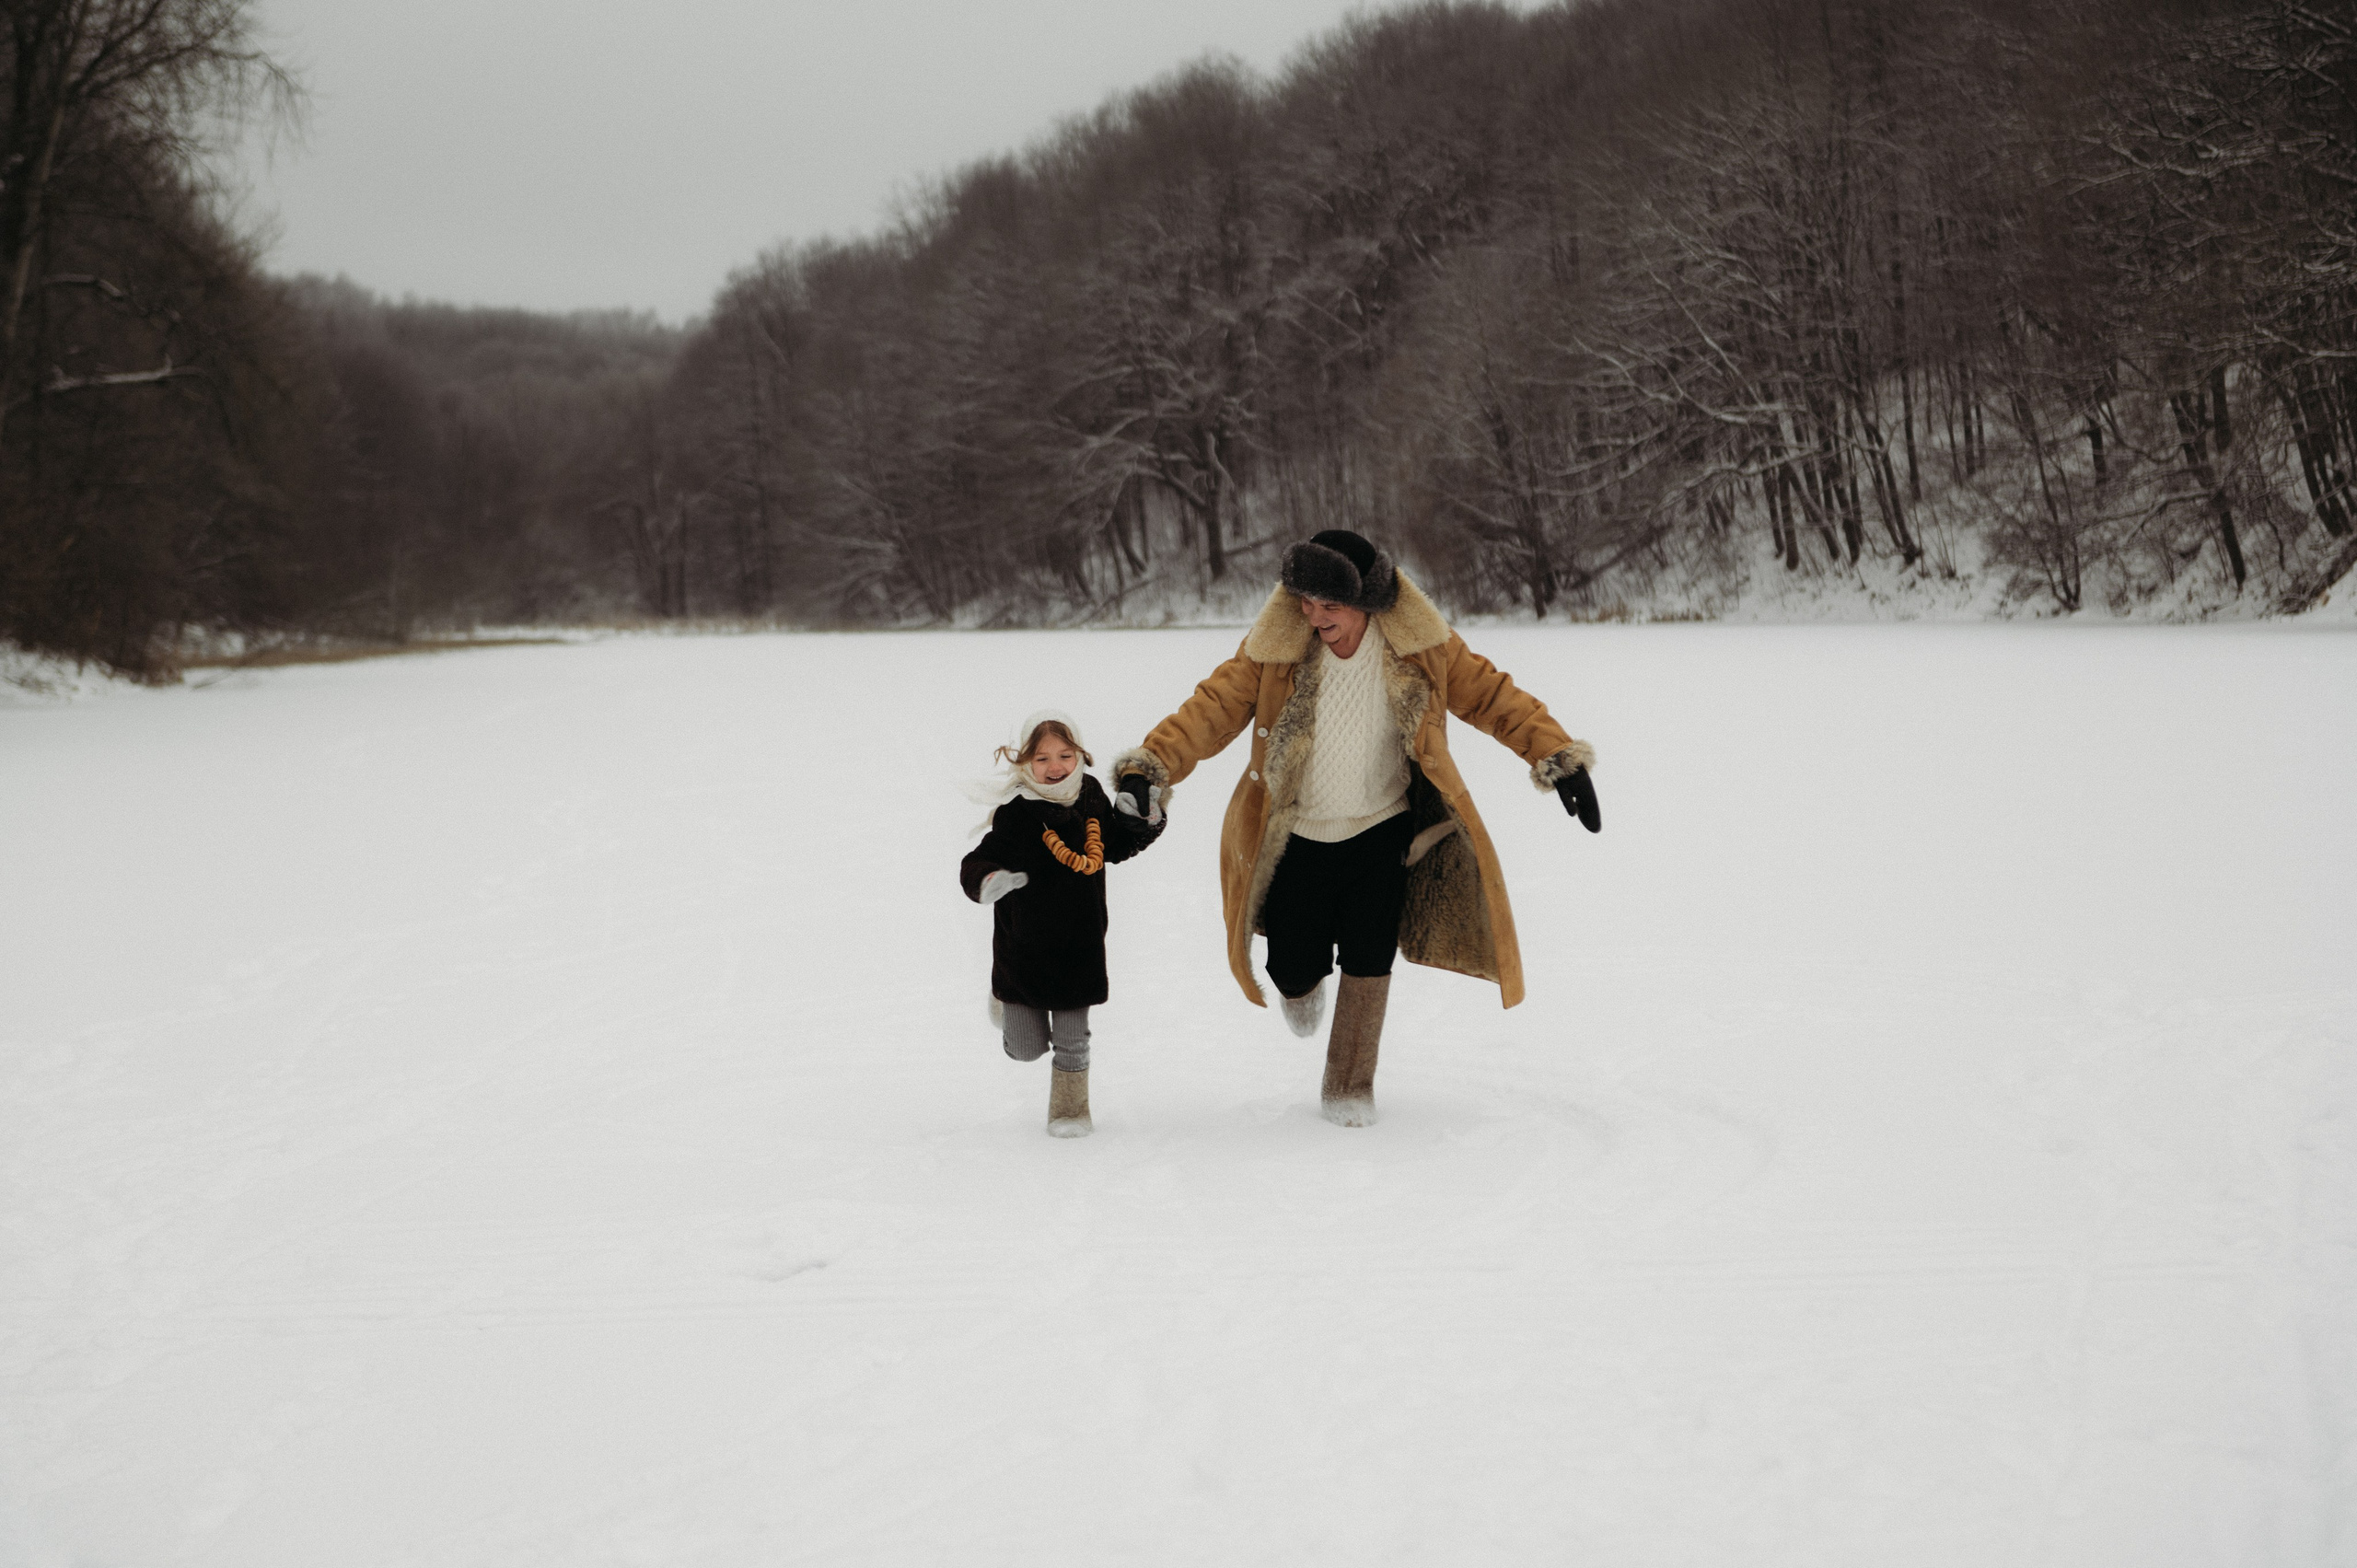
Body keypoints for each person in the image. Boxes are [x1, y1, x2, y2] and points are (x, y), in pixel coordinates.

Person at [1109, 530, 1600, 1128]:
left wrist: (1557, 755)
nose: (1315, 618)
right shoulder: (1277, 650)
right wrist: (1149, 768)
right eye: (1306, 603)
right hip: (1297, 837)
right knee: (1293, 967)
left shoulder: (1421, 648)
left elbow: (1495, 696)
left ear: (1366, 600)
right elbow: (1210, 708)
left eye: (1329, 606)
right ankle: (1297, 983)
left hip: (1381, 831)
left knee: (1370, 957)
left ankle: (1348, 1086)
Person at [960, 711, 1166, 1136]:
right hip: (1023, 952)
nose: (1056, 767)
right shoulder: (1017, 811)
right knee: (1025, 1048)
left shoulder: (1089, 795)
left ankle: (1070, 1112)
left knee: (1073, 1043)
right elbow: (978, 860)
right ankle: (1003, 1005)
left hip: (1080, 946)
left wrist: (1145, 821)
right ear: (1024, 764)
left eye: (1065, 755)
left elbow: (1115, 846)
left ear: (1080, 756)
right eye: (1042, 759)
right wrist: (988, 878)